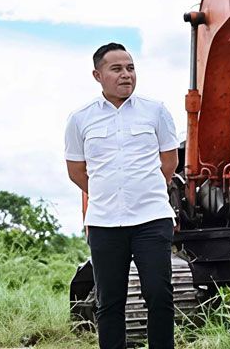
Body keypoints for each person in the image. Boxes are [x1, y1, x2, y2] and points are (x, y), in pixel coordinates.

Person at [65, 43, 179, 349]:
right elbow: (76, 170)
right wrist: (107, 193)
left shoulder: (156, 111)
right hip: (104, 222)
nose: (126, 75)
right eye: (117, 69)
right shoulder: (80, 119)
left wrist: (142, 188)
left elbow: (169, 162)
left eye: (130, 68)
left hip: (151, 219)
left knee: (159, 294)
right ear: (97, 75)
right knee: (109, 301)